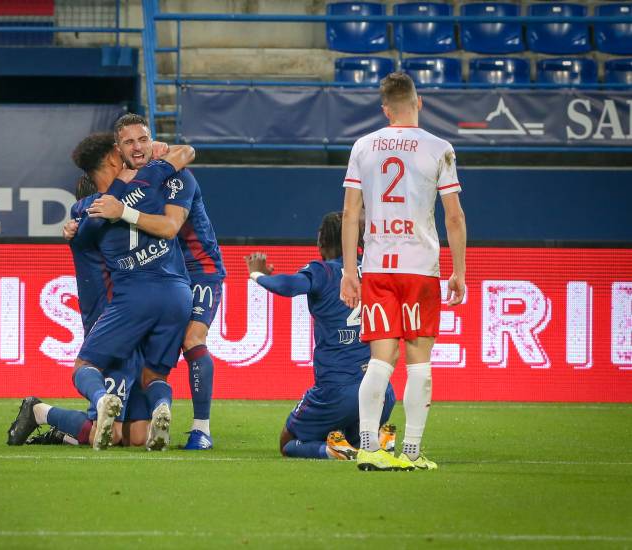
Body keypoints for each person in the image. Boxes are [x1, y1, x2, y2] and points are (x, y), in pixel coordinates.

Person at [340, 72, 467, 471]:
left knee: (380, 360)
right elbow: (454, 217)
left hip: (377, 266)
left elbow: (350, 213)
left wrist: (349, 270)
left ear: (384, 109)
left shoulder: (363, 146)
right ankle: (410, 452)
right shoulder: (439, 148)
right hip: (420, 268)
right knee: (418, 361)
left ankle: (369, 447)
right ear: (419, 102)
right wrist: (458, 271)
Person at [87, 113, 225, 451]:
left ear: (153, 141)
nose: (138, 147)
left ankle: (201, 429)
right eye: (130, 142)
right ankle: (155, 412)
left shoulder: (176, 177)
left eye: (143, 139)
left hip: (198, 269)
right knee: (152, 366)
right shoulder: (136, 183)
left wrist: (122, 212)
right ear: (118, 150)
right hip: (164, 275)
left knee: (194, 339)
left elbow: (170, 227)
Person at [6, 133, 152, 448]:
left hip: (136, 313)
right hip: (111, 317)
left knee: (138, 438)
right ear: (114, 156)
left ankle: (68, 433)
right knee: (109, 433)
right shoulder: (94, 208)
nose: (132, 151)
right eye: (124, 147)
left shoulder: (106, 207)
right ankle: (41, 411)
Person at [69, 125, 196, 452]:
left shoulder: (87, 209)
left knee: (84, 367)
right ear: (115, 156)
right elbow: (187, 153)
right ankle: (161, 408)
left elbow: (81, 229)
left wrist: (74, 226)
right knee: (154, 376)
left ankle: (100, 400)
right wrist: (159, 150)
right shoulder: (152, 179)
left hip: (135, 297)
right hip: (179, 294)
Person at [246, 212, 396, 460]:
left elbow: (288, 286)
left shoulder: (323, 272)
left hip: (337, 391)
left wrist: (257, 274)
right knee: (353, 437)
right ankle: (378, 439)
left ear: (321, 242)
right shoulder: (373, 269)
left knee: (288, 442)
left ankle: (329, 451)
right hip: (382, 390)